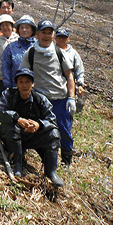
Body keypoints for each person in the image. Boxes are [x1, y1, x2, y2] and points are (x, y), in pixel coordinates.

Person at [21, 20, 78, 166]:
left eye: (49, 33)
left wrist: (71, 98)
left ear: (53, 35)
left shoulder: (59, 52)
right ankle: (38, 156)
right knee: (38, 128)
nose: (46, 36)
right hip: (40, 99)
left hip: (60, 99)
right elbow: (23, 74)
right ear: (37, 34)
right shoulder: (31, 52)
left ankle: (66, 161)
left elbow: (69, 76)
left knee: (64, 131)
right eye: (43, 33)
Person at [0, 68, 64, 187]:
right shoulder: (8, 95)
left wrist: (39, 125)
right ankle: (17, 164)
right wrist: (17, 119)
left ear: (33, 84)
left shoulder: (41, 99)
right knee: (12, 128)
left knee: (54, 134)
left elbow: (52, 120)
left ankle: (51, 172)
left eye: (27, 82)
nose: (24, 85)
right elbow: (1, 113)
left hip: (32, 136)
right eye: (21, 82)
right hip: (12, 135)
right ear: (17, 84)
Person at [0, 15, 37, 91]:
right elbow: (6, 67)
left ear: (32, 30)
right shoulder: (11, 47)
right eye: (21, 27)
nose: (24, 30)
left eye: (27, 27)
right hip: (16, 88)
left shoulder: (38, 46)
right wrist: (9, 87)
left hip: (36, 88)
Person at [54, 28, 86, 101]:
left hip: (68, 89)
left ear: (68, 39)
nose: (61, 39)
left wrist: (80, 85)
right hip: (52, 88)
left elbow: (79, 70)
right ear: (55, 38)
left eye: (64, 37)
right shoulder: (50, 50)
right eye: (59, 37)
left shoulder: (73, 53)